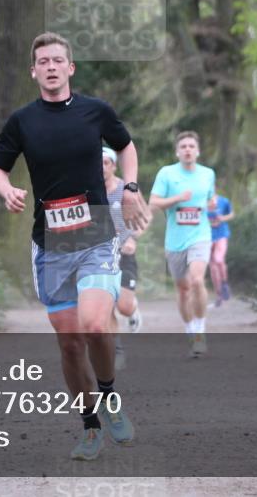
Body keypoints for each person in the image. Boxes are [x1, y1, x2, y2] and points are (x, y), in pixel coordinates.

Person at [0, 32, 151, 461]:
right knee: (71, 343)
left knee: (95, 326)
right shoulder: (22, 121)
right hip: (50, 244)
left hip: (95, 236)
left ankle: (109, 396)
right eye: (44, 61)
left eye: (58, 60)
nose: (51, 67)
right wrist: (6, 189)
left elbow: (126, 146)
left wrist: (131, 187)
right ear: (34, 71)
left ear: (70, 68)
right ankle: (90, 426)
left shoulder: (96, 111)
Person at [149, 131, 215, 358]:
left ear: (198, 151)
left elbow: (210, 199)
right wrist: (177, 198)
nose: (188, 150)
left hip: (200, 236)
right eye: (183, 146)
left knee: (197, 280)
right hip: (175, 241)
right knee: (183, 289)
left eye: (191, 146)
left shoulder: (208, 174)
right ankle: (189, 329)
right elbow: (153, 203)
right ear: (177, 152)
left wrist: (211, 204)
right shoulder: (167, 173)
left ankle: (200, 332)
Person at [102, 147, 146, 370]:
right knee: (105, 304)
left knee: (124, 307)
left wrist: (133, 239)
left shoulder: (125, 190)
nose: (101, 168)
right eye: (97, 163)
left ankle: (133, 309)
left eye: (106, 163)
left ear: (114, 166)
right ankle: (117, 350)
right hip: (100, 255)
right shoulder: (90, 191)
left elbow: (145, 217)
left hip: (125, 253)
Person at [207, 192, 235, 307]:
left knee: (218, 259)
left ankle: (224, 283)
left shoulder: (224, 201)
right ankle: (219, 295)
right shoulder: (200, 201)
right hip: (207, 235)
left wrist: (222, 218)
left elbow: (231, 214)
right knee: (213, 267)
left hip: (221, 234)